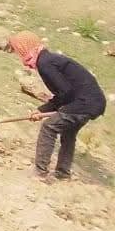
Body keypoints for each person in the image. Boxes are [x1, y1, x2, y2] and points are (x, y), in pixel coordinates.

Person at [7, 31, 107, 181]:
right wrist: (43, 109)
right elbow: (66, 92)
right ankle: (62, 173)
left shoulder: (44, 63)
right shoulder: (49, 59)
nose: (17, 53)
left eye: (17, 49)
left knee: (49, 127)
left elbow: (65, 92)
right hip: (93, 102)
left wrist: (42, 110)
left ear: (23, 48)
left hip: (84, 103)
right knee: (68, 133)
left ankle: (40, 172)